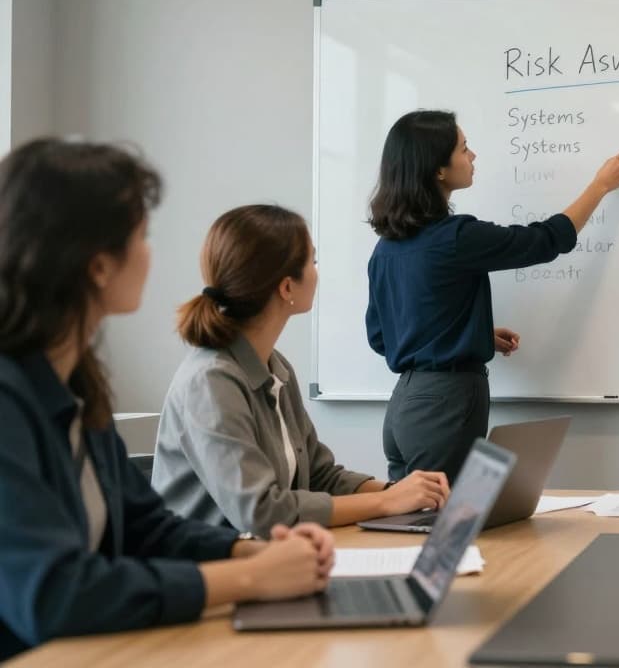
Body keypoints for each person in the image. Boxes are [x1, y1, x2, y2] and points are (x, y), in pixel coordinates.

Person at [0, 139, 335, 661]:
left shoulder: (79, 382)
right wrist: (250, 576)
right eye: (141, 235)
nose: (150, 251)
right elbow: (55, 593)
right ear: (97, 266)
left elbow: (143, 526)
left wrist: (252, 550)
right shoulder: (8, 400)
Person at [366, 109, 619, 482]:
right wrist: (599, 187)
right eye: (464, 148)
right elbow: (543, 241)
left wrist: (470, 333)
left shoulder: (386, 248)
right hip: (447, 401)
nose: (473, 156)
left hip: (403, 408)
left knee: (409, 523)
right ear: (438, 170)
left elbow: (382, 337)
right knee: (443, 524)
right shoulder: (455, 238)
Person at [154, 205, 449, 536]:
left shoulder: (275, 367)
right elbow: (262, 512)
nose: (317, 271)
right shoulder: (209, 382)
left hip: (267, 559)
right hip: (211, 575)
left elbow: (321, 477)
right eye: (313, 261)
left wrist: (402, 491)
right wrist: (388, 502)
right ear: (286, 288)